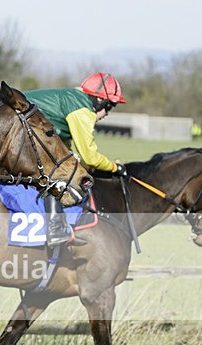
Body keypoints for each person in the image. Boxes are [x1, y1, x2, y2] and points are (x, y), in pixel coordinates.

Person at [24, 72, 127, 248]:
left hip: (22, 126)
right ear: (99, 100)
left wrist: (85, 166)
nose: (107, 113)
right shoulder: (82, 109)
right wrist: (114, 168)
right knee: (58, 174)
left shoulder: (72, 101)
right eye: (109, 107)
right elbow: (90, 156)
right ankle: (55, 231)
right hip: (20, 128)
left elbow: (67, 148)